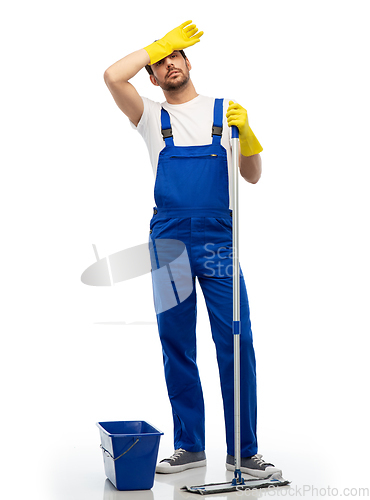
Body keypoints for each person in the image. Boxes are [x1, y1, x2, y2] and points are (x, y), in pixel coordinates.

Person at [104, 20, 282, 478]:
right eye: (162, 62)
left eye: (176, 57)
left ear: (189, 62)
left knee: (236, 342)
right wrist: (158, 44)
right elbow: (111, 75)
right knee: (177, 343)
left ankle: (243, 451)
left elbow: (253, 176)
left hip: (219, 242)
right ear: (153, 76)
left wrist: (251, 137)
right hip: (169, 244)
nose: (170, 64)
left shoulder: (226, 111)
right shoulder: (148, 116)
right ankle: (190, 447)